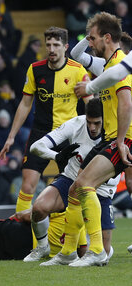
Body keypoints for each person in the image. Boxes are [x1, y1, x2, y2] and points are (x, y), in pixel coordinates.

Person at [54, 12, 132, 267]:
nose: (91, 43)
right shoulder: (109, 65)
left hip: (125, 139)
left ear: (107, 38)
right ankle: (67, 252)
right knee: (78, 187)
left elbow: (126, 102)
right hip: (113, 138)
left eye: (94, 38)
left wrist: (121, 140)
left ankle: (97, 251)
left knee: (85, 183)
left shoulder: (120, 64)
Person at [0, 27, 91, 213]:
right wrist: (11, 137)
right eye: (48, 44)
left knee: (73, 189)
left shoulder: (77, 70)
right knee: (27, 185)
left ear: (65, 47)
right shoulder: (35, 69)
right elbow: (25, 104)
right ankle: (19, 232)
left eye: (56, 45)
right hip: (41, 133)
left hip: (69, 135)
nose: (51, 49)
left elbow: (91, 104)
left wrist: (93, 135)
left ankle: (78, 240)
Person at [23, 98, 118, 263]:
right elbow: (35, 146)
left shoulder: (116, 131)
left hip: (101, 189)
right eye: (89, 122)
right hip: (71, 179)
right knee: (39, 208)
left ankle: (80, 249)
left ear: (105, 119)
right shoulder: (76, 123)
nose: (92, 127)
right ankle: (43, 246)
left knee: (103, 253)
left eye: (97, 123)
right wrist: (57, 156)